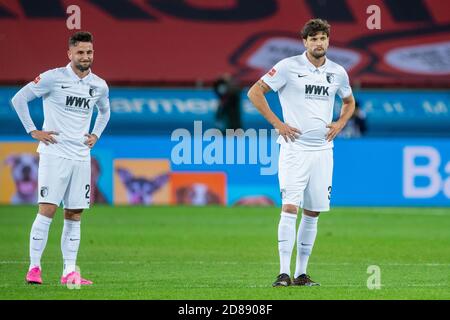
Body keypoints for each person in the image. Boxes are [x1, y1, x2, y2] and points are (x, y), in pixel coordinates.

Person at [247, 19, 355, 286]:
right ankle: (283, 273)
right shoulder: (287, 67)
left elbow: (349, 102)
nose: (319, 43)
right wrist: (278, 124)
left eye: (323, 38)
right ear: (305, 42)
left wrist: (341, 123)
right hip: (294, 149)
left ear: (328, 40)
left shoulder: (338, 72)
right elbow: (255, 92)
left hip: (323, 151)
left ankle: (301, 274)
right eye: (314, 39)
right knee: (290, 207)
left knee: (313, 211)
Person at [11, 31, 111, 286]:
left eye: (89, 52)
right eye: (80, 52)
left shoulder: (98, 85)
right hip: (54, 153)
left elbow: (104, 111)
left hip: (80, 156)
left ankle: (69, 272)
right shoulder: (53, 78)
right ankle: (34, 268)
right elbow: (19, 99)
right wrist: (33, 131)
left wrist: (96, 135)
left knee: (75, 214)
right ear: (69, 53)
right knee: (47, 210)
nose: (86, 56)